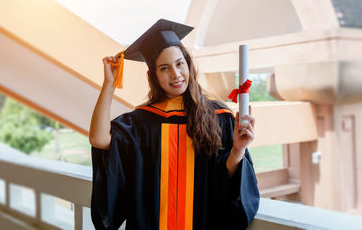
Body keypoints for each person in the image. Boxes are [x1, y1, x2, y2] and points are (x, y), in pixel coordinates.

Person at [89, 19, 260, 230]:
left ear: (188, 64)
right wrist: (109, 84)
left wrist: (238, 150)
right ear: (153, 75)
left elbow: (224, 182)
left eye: (180, 63)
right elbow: (99, 139)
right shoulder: (142, 122)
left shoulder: (218, 116)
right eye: (164, 68)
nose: (176, 74)